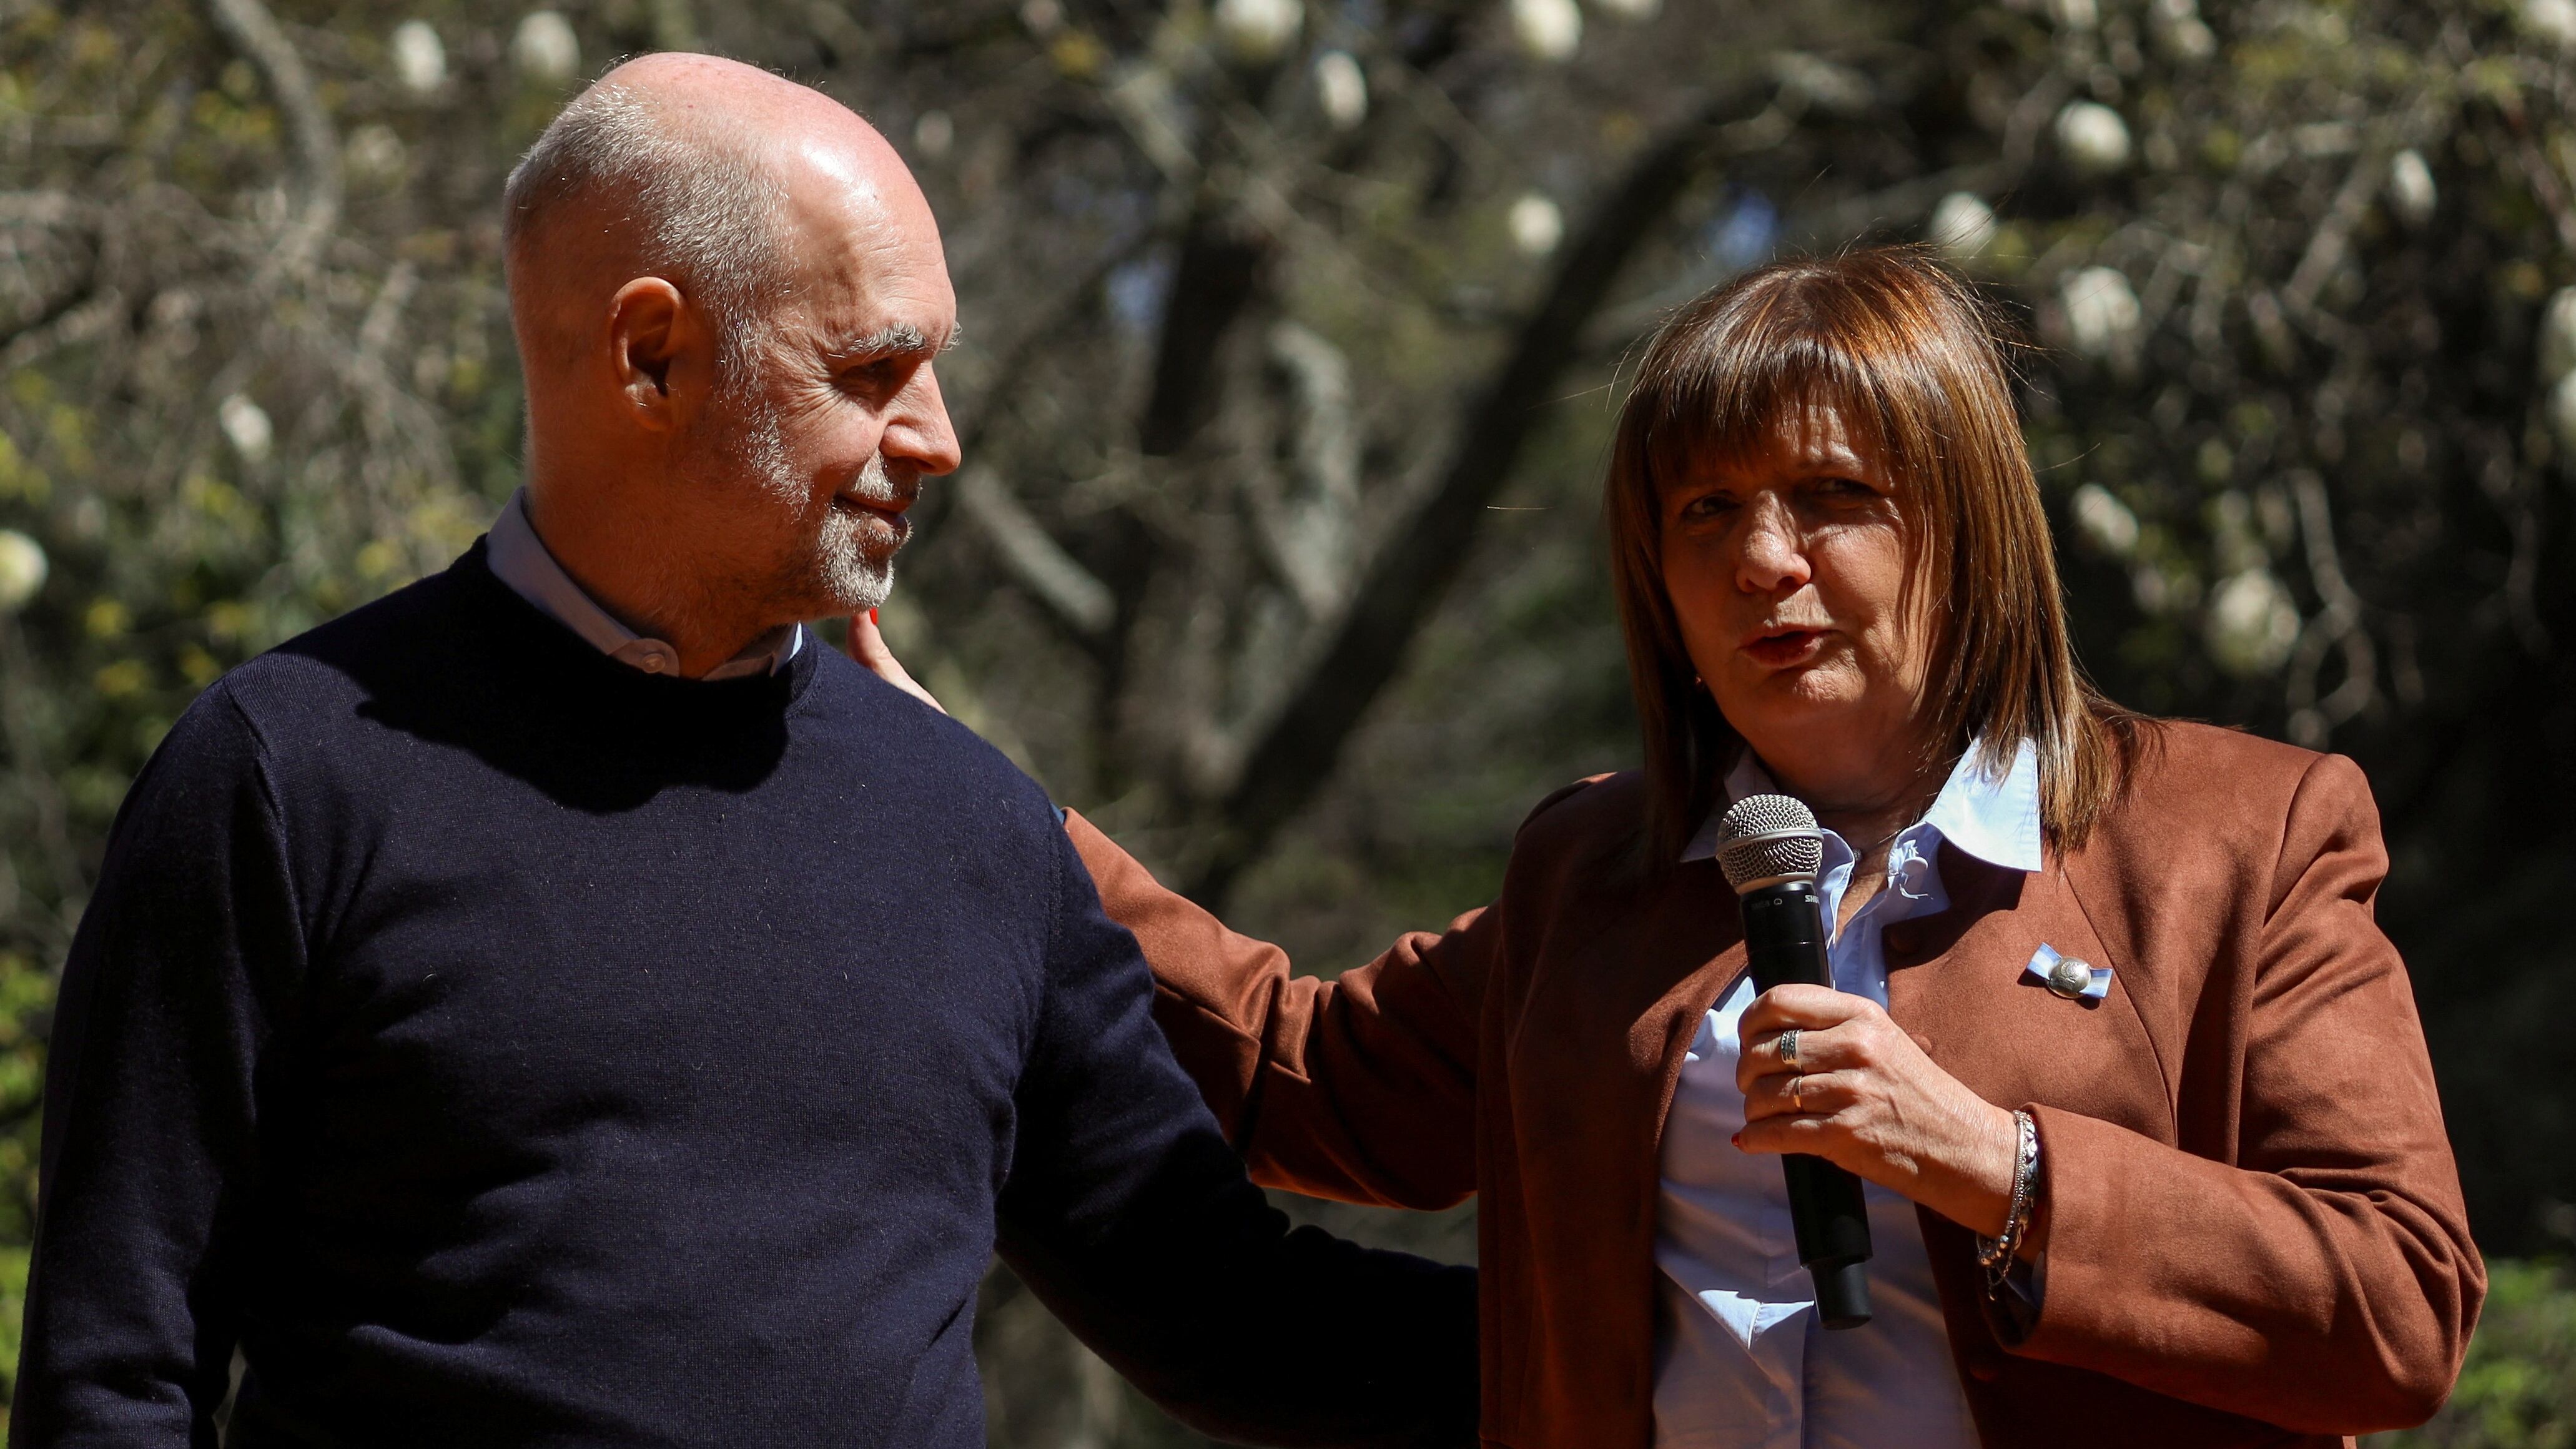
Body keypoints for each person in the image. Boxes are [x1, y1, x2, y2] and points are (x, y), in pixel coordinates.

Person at [11, 56, 1477, 1449]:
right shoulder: (283, 776)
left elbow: (1237, 1313)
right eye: (873, 368)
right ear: (652, 355)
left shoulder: (972, 823)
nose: (941, 438)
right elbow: (114, 1374)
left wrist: (1678, 1341)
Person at [864, 248, 2485, 1447]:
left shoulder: (2235, 838)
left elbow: (2398, 1310)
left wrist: (1996, 1169)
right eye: (1701, 512)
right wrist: (964, 799)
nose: (1760, 560)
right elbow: (1298, 1072)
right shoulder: (1595, 873)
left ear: (1967, 519)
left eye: (1826, 495)